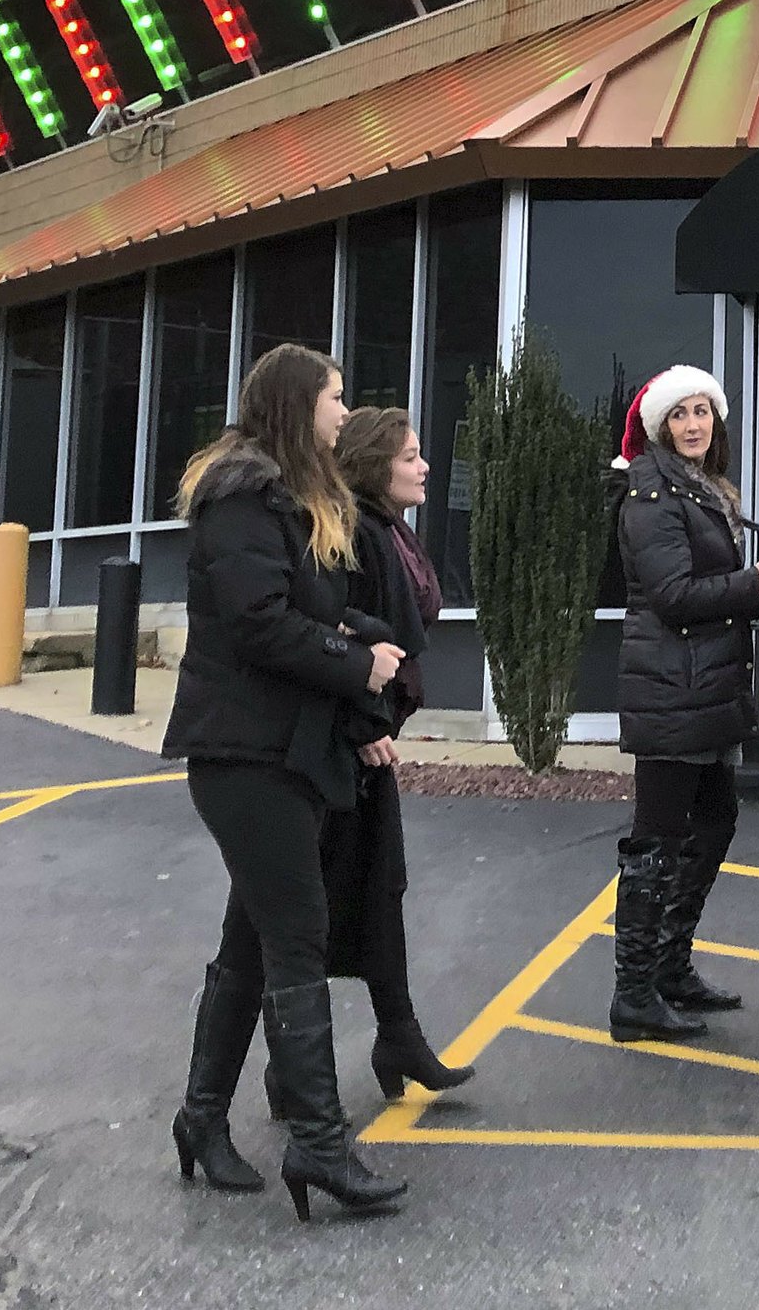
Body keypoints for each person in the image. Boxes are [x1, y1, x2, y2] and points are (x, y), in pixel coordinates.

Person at [161, 342, 410, 1220]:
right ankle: (319, 1142)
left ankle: (200, 1118)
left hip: (285, 752)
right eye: (335, 397)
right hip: (244, 755)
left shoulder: (295, 497)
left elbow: (310, 607)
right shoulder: (241, 496)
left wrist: (364, 639)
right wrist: (355, 662)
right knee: (298, 932)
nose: (344, 410)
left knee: (252, 941)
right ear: (298, 403)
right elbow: (260, 623)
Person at [606, 365, 759, 1044]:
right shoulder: (653, 492)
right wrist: (752, 582)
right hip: (671, 692)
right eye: (680, 413)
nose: (693, 424)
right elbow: (673, 596)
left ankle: (668, 967)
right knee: (655, 839)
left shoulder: (698, 486)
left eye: (703, 411)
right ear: (661, 425)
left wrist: (751, 587)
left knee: (715, 821)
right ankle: (633, 995)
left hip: (702, 691)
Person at [326, 405, 472, 1099]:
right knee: (321, 904)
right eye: (410, 456)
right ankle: (292, 1068)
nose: (425, 467)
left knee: (380, 888)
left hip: (374, 732)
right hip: (351, 740)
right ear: (373, 464)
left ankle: (398, 1036)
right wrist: (364, 724)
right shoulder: (357, 532)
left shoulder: (389, 529)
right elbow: (341, 633)